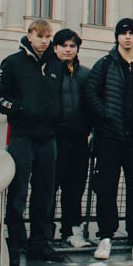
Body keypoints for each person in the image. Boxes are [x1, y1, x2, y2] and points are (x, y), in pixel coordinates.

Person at [0, 19, 62, 265]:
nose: (44, 41)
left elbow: (60, 97)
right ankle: (15, 244)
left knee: (45, 193)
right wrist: (18, 108)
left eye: (48, 36)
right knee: (18, 192)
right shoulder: (13, 63)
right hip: (22, 136)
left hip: (47, 138)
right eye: (39, 36)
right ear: (29, 36)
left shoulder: (55, 65)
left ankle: (40, 244)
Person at [85, 18, 133, 259]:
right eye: (123, 33)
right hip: (110, 136)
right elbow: (91, 93)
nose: (127, 37)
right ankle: (105, 236)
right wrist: (106, 114)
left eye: (131, 33)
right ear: (117, 37)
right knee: (107, 187)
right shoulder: (105, 64)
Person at [50, 28, 92, 249]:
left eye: (72, 46)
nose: (68, 50)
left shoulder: (85, 74)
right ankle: (45, 233)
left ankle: (71, 231)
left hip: (79, 140)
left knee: (75, 189)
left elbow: (92, 104)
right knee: (48, 189)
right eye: (64, 45)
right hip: (53, 140)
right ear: (55, 48)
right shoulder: (47, 72)